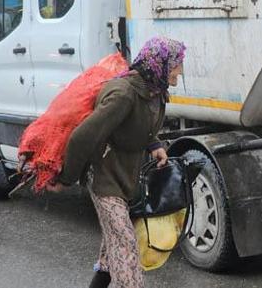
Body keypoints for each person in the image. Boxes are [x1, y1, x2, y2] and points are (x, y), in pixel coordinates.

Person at [46, 36, 186, 288]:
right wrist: (65, 178)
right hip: (104, 177)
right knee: (125, 245)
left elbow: (141, 125)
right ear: (160, 65)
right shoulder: (123, 94)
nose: (180, 70)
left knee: (113, 245)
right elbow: (82, 137)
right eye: (176, 64)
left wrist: (154, 144)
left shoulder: (155, 91)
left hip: (127, 178)